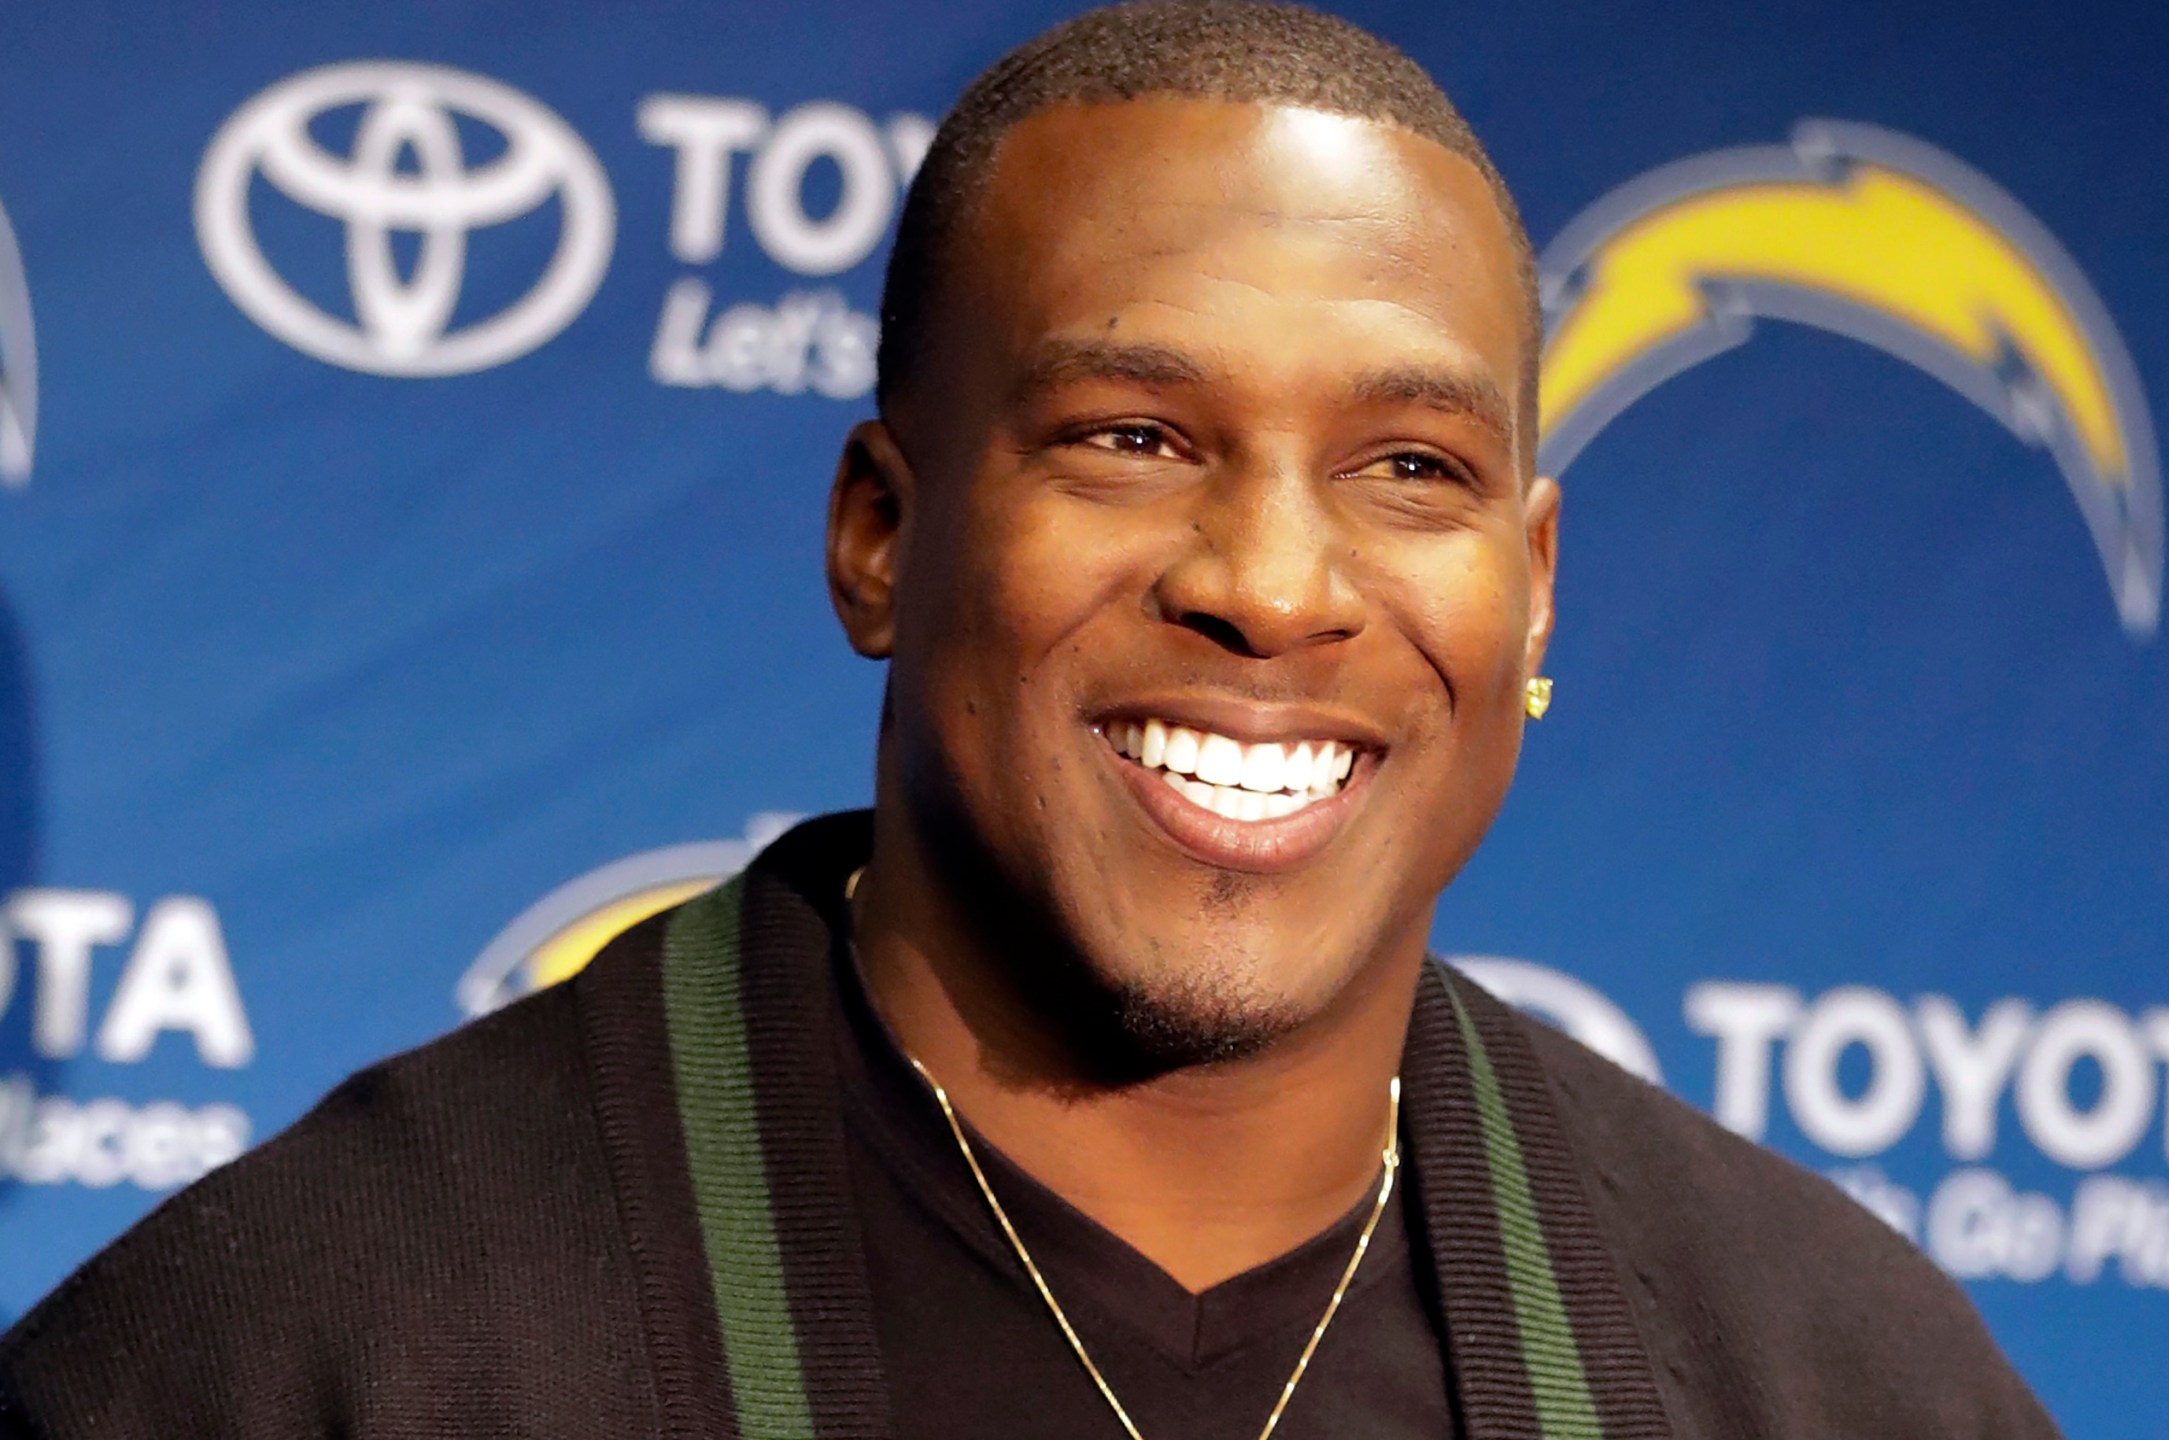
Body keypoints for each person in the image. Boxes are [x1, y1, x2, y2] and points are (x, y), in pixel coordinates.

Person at [0, 4, 2062, 1436]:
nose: (1268, 582)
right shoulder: (317, 1350)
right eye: (1133, 434)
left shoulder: (1829, 1377)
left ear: (1531, 583)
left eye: (1408, 470)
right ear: (881, 536)